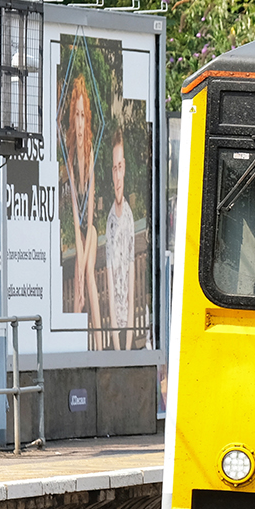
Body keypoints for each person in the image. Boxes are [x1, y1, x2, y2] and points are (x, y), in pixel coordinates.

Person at [62, 74, 103, 347]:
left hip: (92, 230)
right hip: (78, 232)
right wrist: (79, 251)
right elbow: (75, 219)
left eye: (82, 115)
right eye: (75, 115)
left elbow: (88, 219)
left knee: (86, 274)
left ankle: (99, 344)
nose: (79, 122)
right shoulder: (69, 157)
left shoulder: (89, 153)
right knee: (80, 275)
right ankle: (77, 344)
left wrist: (84, 254)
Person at [103, 128, 136, 350]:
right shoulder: (110, 222)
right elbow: (110, 287)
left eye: (120, 168)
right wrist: (117, 349)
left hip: (128, 328)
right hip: (115, 332)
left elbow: (131, 289)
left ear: (125, 168)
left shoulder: (129, 218)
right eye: (114, 169)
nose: (117, 176)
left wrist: (128, 347)